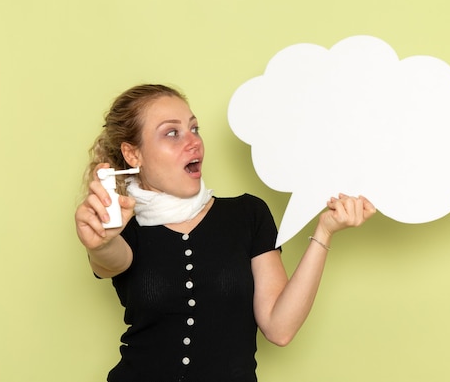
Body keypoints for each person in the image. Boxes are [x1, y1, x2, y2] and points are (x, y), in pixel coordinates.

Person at [74, 84, 376, 382]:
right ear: (132, 154)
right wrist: (101, 243)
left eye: (195, 129)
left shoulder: (247, 215)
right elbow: (111, 259)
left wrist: (324, 232)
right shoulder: (120, 225)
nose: (193, 142)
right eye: (172, 133)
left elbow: (280, 329)